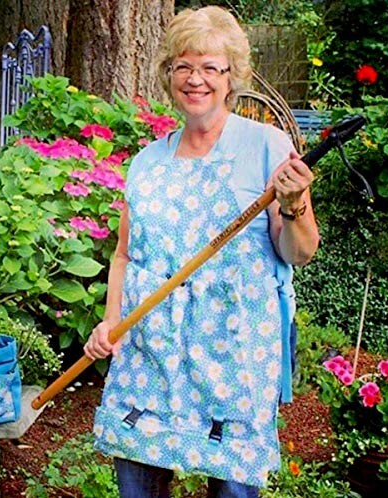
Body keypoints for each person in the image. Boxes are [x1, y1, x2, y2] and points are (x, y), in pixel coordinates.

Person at [83, 6, 320, 498]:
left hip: (233, 354)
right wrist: (110, 324)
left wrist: (294, 204)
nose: (196, 80)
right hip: (152, 353)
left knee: (232, 488)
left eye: (210, 67)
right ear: (168, 74)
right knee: (138, 485)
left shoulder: (266, 147)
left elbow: (299, 252)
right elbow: (125, 255)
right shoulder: (148, 163)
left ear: (232, 75)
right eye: (183, 66)